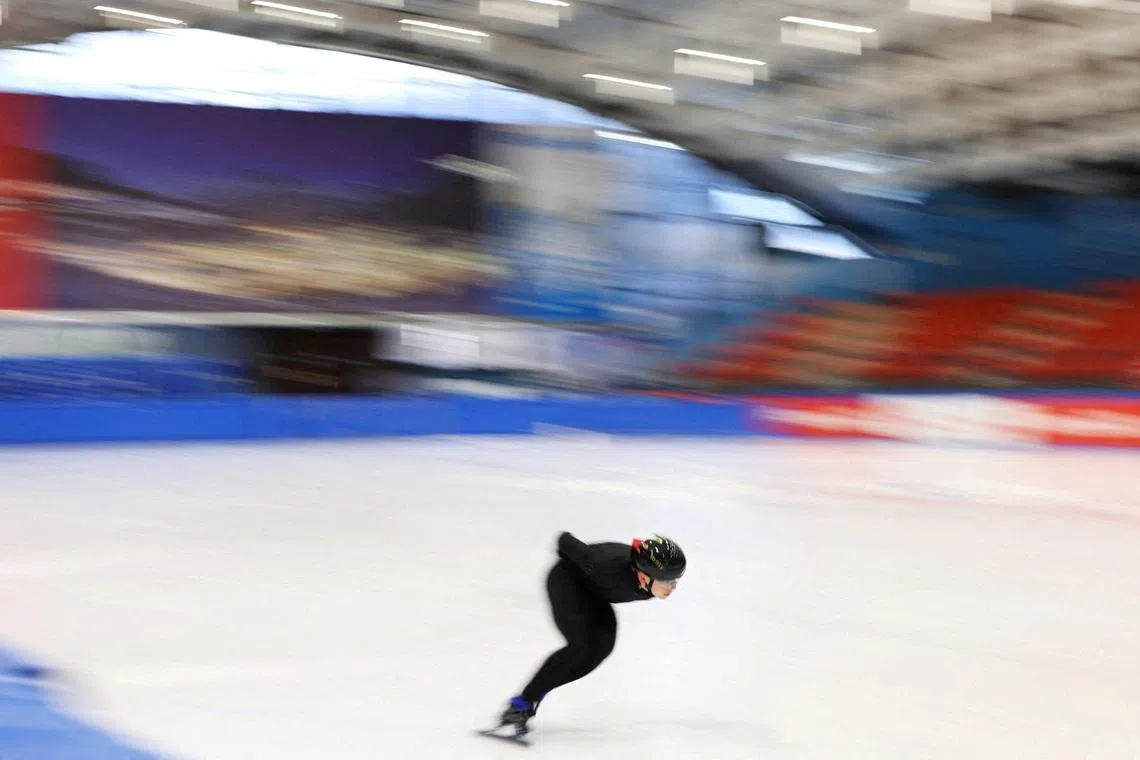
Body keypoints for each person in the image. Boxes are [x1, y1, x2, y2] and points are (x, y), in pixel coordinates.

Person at [494, 532, 687, 740]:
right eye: (668, 581)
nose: (673, 588)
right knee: (581, 646)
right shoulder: (607, 567)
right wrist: (585, 562)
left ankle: (536, 692)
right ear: (643, 575)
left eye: (676, 580)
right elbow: (564, 540)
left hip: (594, 593)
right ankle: (520, 706)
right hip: (566, 583)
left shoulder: (648, 581)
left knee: (602, 647)